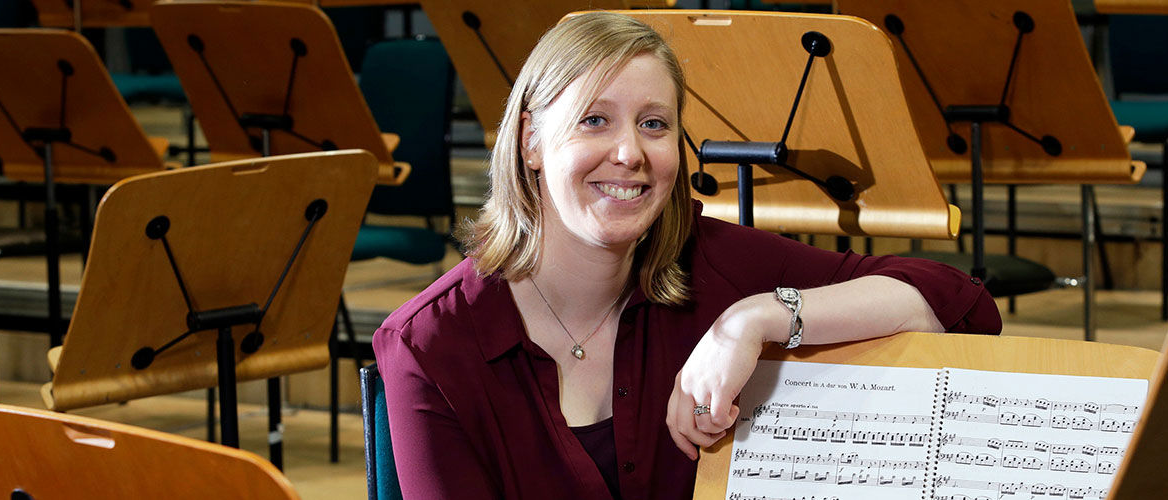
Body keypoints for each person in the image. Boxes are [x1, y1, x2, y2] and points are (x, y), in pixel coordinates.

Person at [372, 11, 1000, 500]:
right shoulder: (430, 345)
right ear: (531, 140)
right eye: (595, 120)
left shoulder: (713, 262)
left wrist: (751, 320)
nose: (630, 154)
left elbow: (956, 302)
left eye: (654, 124)